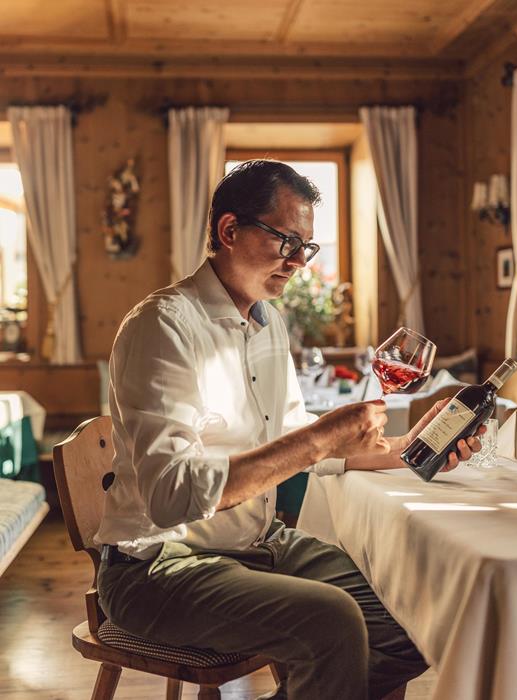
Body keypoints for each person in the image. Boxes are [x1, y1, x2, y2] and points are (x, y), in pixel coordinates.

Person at [95, 160, 482, 700]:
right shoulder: (163, 325)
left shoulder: (267, 322)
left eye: (308, 247)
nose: (300, 262)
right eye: (286, 241)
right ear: (229, 231)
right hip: (156, 566)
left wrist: (408, 448)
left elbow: (299, 438)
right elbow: (170, 495)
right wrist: (319, 438)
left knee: (416, 612)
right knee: (333, 621)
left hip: (257, 542)